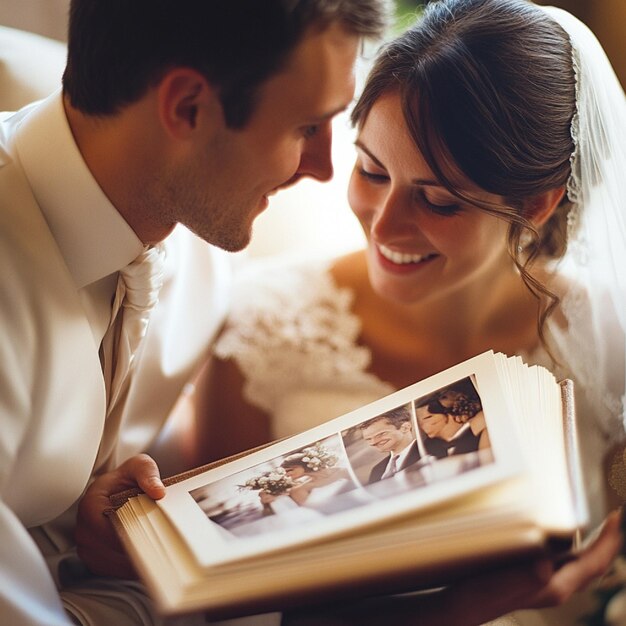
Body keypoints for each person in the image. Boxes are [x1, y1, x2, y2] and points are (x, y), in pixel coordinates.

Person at [198, 0, 626, 623]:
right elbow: (207, 589)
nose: (386, 223)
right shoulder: (266, 324)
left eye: (439, 202)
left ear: (535, 203)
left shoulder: (606, 335)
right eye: (372, 171)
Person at [0, 1, 389, 624]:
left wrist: (93, 519)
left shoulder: (198, 262)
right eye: (306, 128)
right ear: (187, 107)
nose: (321, 170)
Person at [358, 406, 423, 482]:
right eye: (368, 439)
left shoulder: (431, 450)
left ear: (405, 428)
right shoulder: (376, 470)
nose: (373, 442)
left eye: (381, 434)